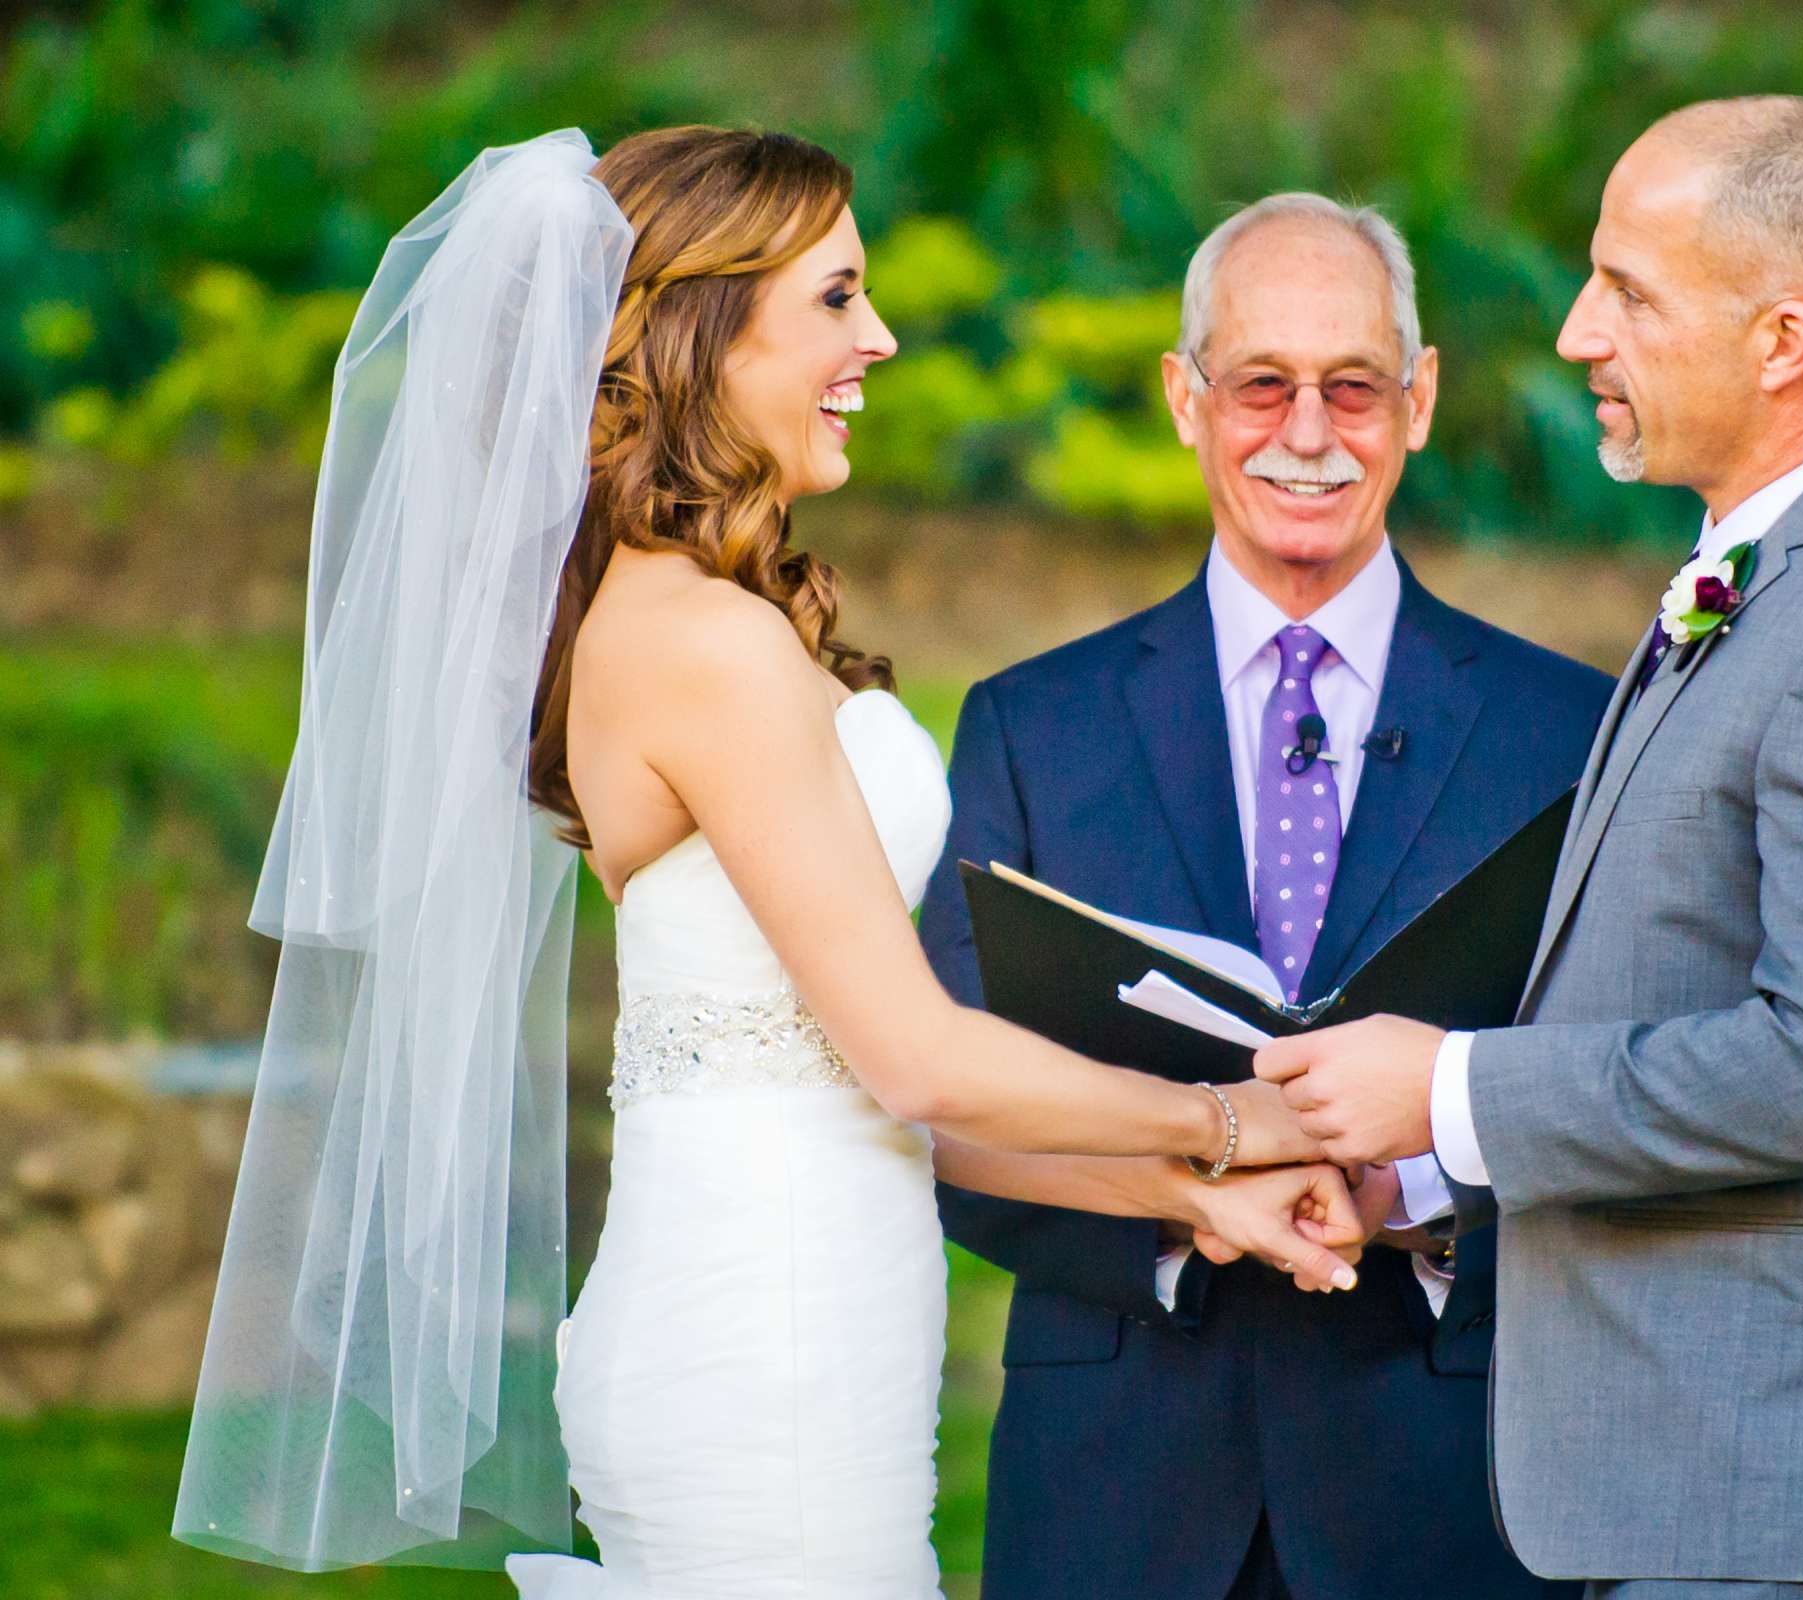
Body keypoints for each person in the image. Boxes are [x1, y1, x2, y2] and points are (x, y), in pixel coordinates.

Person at [173, 128, 1366, 1600]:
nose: (882, 335)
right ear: (699, 335)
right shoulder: (705, 645)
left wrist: (1185, 1201)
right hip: (761, 1351)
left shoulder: (707, 619)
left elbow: (871, 1086)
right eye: (835, 299)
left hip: (796, 1319)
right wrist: (1235, 1123)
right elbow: (921, 1060)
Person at [1257, 97, 1803, 1599]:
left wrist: (1447, 1086)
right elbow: (1670, 988)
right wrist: (1432, 1168)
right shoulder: (1766, 572)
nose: (1575, 333)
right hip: (1689, 1489)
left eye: (1628, 290)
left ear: (1783, 340)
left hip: (1785, 1500)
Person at [919, 193, 1609, 1600]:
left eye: (1353, 386)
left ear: (1417, 402)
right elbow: (947, 1096)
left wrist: (1411, 1180)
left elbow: (1624, 1079)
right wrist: (1189, 1196)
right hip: (1117, 1488)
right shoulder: (1029, 726)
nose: (1308, 433)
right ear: (1185, 399)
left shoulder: (1571, 735)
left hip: (1445, 1480)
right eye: (1261, 386)